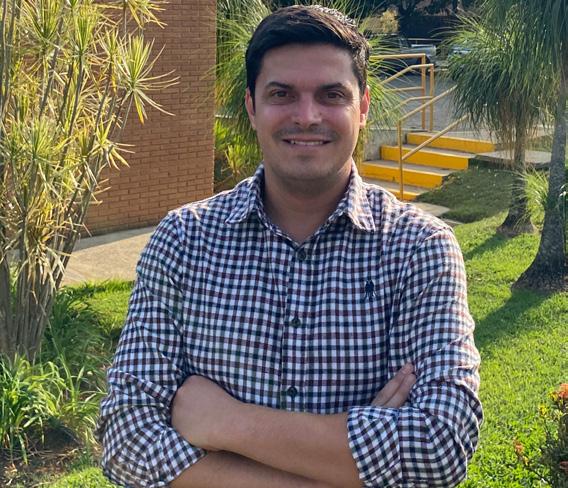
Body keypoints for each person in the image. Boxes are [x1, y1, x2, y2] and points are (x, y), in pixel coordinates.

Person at [96, 5, 482, 487]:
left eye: (331, 95)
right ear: (251, 107)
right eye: (282, 94)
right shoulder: (183, 242)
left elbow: (441, 444)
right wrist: (346, 468)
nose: (307, 116)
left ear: (362, 107)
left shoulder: (419, 249)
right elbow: (126, 437)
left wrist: (228, 422)